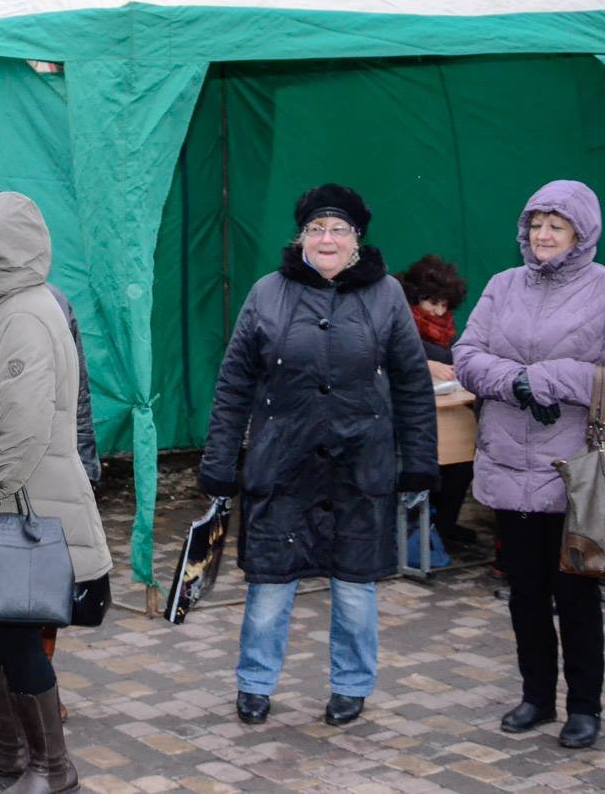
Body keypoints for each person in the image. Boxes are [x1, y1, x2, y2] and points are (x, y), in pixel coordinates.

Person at [197, 183, 437, 729]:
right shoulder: (267, 292)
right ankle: (255, 683)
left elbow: (412, 384)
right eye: (317, 228)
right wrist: (217, 465)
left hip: (360, 467)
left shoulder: (387, 296)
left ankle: (351, 685)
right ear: (301, 235)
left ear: (357, 239)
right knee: (269, 586)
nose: (327, 239)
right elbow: (233, 385)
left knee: (354, 589)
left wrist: (418, 461)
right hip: (281, 466)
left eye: (339, 229)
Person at [0, 191, 112, 793]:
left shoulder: (24, 317)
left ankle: (52, 767)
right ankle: (8, 752)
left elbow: (22, 430)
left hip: (18, 509)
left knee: (15, 637)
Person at [453, 180, 605, 750]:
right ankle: (537, 696)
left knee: (577, 595)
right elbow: (467, 358)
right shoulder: (502, 284)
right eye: (536, 223)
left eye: (556, 225)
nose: (543, 234)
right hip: (506, 467)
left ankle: (585, 706)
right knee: (524, 593)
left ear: (580, 233)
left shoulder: (601, 290)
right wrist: (516, 383)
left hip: (571, 474)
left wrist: (542, 378)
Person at [395, 255, 475, 547]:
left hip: (445, 410)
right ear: (416, 298)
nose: (439, 312)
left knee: (463, 463)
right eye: (433, 303)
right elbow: (386, 354)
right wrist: (425, 365)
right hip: (407, 418)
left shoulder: (446, 331)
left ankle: (443, 526)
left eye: (444, 305)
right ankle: (418, 532)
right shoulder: (399, 322)